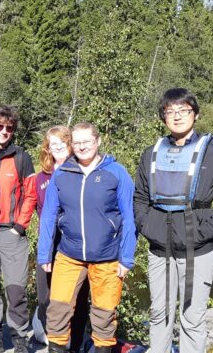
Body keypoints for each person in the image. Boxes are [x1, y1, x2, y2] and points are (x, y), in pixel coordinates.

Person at [37, 122, 136, 353]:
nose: (82, 147)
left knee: (104, 315)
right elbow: (49, 215)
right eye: (77, 142)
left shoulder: (116, 172)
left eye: (87, 141)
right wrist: (44, 253)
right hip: (69, 254)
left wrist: (127, 257)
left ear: (98, 141)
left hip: (107, 257)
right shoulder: (62, 173)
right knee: (58, 310)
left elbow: (129, 217)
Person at [134, 88, 213, 353]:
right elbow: (139, 197)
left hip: (199, 249)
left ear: (195, 114)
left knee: (192, 319)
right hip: (160, 250)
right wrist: (148, 226)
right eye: (171, 111)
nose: (177, 116)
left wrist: (202, 231)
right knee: (159, 314)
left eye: (184, 110)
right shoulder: (151, 154)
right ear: (163, 117)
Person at [0, 107, 36, 353]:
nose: (4, 132)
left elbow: (31, 194)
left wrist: (19, 226)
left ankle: (19, 336)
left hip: (11, 231)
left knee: (16, 288)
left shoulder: (21, 156)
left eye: (9, 128)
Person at [30, 126, 89, 352]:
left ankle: (76, 341)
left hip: (74, 242)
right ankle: (50, 335)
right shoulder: (42, 176)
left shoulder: (80, 170)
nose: (56, 149)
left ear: (70, 145)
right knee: (45, 295)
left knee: (78, 296)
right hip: (49, 241)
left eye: (61, 145)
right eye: (52, 145)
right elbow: (38, 207)